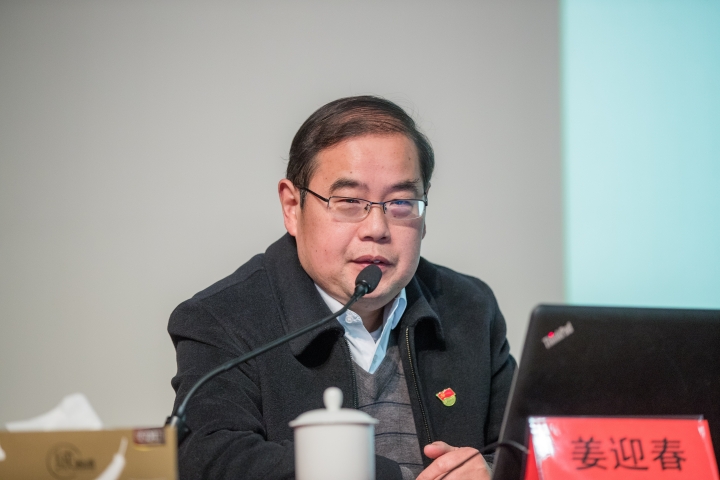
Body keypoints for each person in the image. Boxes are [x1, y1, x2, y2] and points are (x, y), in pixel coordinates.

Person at [168, 96, 516, 480]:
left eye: (401, 202)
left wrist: (492, 472)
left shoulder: (469, 308)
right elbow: (211, 458)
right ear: (292, 206)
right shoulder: (222, 318)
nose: (377, 228)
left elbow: (529, 447)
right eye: (349, 201)